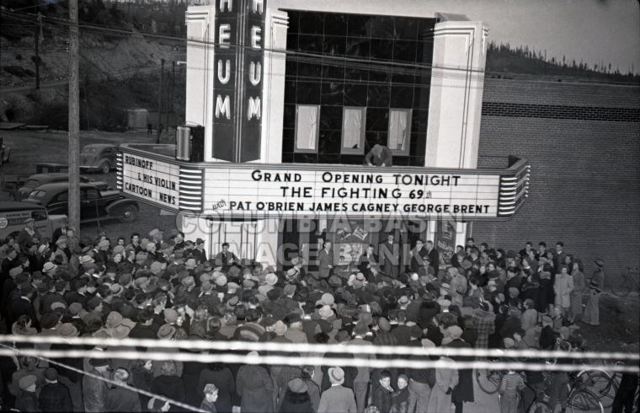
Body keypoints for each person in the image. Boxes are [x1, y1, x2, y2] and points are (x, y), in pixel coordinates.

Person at [583, 259, 605, 326]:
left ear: (598, 266)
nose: (593, 266)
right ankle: (586, 320)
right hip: (592, 291)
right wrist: (590, 281)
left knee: (594, 307)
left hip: (595, 292)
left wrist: (595, 293)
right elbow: (594, 281)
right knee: (589, 305)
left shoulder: (600, 274)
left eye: (594, 264)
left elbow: (600, 287)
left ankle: (594, 321)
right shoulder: (596, 272)